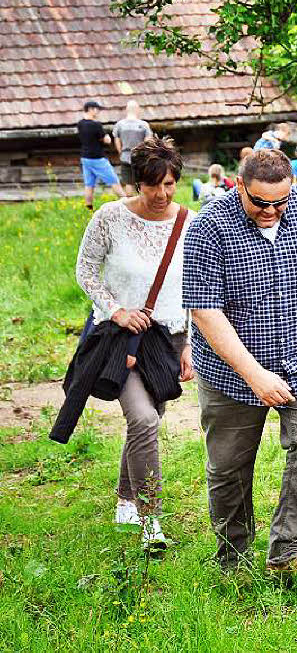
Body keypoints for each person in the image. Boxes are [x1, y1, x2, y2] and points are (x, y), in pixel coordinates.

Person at [183, 148, 297, 577]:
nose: (271, 211)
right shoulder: (208, 228)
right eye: (260, 202)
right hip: (230, 371)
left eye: (280, 202)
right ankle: (234, 558)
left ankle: (288, 552)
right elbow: (206, 312)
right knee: (229, 468)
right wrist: (255, 375)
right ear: (239, 185)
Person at [74, 137, 194, 549]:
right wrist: (116, 309)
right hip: (119, 338)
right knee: (143, 420)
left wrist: (191, 343)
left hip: (168, 339)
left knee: (149, 421)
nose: (162, 194)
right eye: (152, 185)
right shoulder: (109, 217)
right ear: (136, 181)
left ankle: (125, 497)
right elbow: (86, 270)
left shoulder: (189, 222)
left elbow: (197, 287)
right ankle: (151, 521)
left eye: (170, 184)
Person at [78, 101, 126, 209]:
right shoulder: (96, 125)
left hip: (85, 158)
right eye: (97, 109)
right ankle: (126, 203)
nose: (98, 111)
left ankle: (88, 207)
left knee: (89, 184)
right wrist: (107, 137)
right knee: (114, 180)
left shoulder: (80, 123)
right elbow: (106, 140)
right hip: (97, 158)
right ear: (90, 109)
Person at [112, 101, 152, 195]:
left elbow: (117, 140)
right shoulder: (144, 125)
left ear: (127, 109)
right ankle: (141, 202)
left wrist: (121, 152)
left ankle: (129, 203)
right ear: (137, 110)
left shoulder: (119, 125)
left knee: (128, 183)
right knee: (141, 181)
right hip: (140, 157)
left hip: (125, 156)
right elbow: (148, 141)